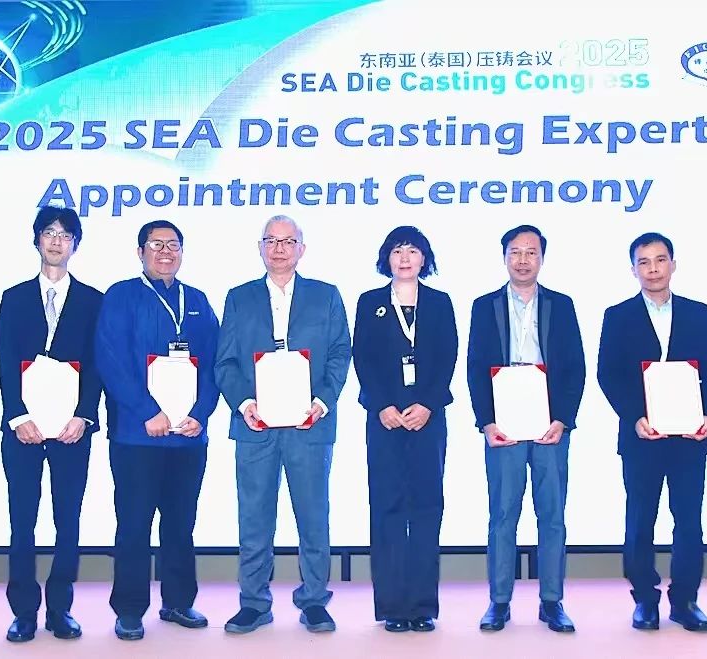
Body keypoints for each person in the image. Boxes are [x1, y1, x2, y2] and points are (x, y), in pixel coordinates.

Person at [215, 215, 351, 634]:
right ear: (260, 248)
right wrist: (244, 403)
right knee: (254, 517)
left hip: (310, 425)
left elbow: (339, 354)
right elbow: (225, 362)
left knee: (313, 516)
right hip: (255, 426)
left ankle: (314, 600)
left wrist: (322, 402)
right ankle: (254, 603)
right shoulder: (238, 298)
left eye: (288, 241)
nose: (278, 248)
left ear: (301, 249)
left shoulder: (326, 296)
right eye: (271, 241)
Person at [95, 220, 220, 641]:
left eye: (173, 245)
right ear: (140, 252)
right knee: (134, 524)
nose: (165, 252)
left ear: (182, 252)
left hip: (188, 436)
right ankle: (130, 609)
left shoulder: (197, 300)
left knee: (181, 523)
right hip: (138, 434)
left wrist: (202, 413)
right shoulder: (121, 296)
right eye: (156, 244)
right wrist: (146, 410)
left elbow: (216, 361)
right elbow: (110, 359)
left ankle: (178, 601)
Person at [596, 232, 707, 633]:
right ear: (633, 269)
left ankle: (685, 601)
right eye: (644, 262)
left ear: (673, 264)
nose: (653, 269)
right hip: (642, 437)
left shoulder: (698, 313)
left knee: (689, 521)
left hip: (689, 437)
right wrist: (634, 416)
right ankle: (645, 600)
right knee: (640, 521)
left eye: (660, 260)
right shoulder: (618, 315)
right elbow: (608, 373)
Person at [466, 225, 586, 633]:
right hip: (504, 421)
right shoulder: (485, 306)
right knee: (503, 513)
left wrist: (563, 419)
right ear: (504, 258)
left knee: (552, 514)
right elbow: (475, 367)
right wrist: (486, 421)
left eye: (530, 252)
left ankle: (552, 601)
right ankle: (499, 602)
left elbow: (575, 367)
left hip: (549, 422)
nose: (522, 260)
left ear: (542, 259)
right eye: (515, 252)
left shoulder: (562, 305)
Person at [0, 205, 103, 642]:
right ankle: (23, 611)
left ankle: (60, 609)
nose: (56, 241)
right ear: (36, 239)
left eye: (65, 234)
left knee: (67, 520)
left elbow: (97, 364)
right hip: (23, 428)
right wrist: (16, 416)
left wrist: (85, 415)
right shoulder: (14, 297)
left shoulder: (94, 300)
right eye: (49, 232)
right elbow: (5, 361)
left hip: (72, 429)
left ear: (75, 244)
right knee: (22, 520)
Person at [352, 226, 457, 633]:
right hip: (385, 419)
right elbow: (363, 358)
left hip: (427, 418)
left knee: (427, 508)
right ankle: (393, 607)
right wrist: (382, 405)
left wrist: (428, 404)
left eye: (413, 250)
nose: (405, 258)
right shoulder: (370, 302)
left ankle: (423, 606)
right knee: (387, 509)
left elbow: (448, 356)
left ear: (424, 258)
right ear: (387, 258)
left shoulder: (440, 302)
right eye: (397, 251)